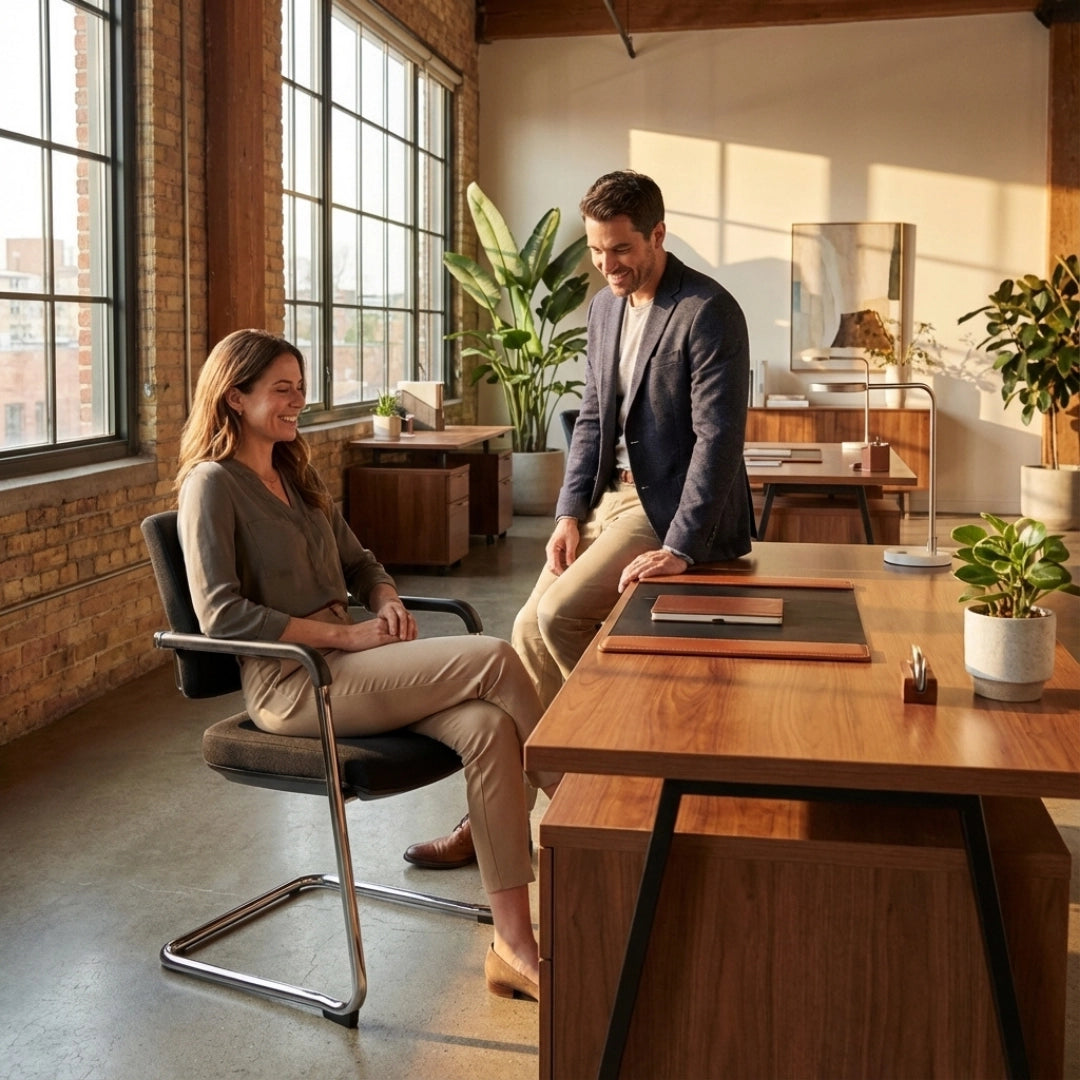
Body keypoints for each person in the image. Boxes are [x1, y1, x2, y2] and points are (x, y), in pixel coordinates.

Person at [175, 327, 559, 1002]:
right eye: (282, 389)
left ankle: (513, 947)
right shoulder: (211, 485)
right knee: (496, 658)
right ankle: (589, 807)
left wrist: (384, 599)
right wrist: (345, 638)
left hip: (355, 665)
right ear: (235, 397)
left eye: (301, 387)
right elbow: (220, 615)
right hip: (294, 683)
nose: (298, 401)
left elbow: (361, 563)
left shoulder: (297, 477)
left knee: (489, 728)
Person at [403, 169, 752, 870]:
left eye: (621, 249)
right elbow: (591, 419)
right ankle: (546, 801)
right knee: (521, 632)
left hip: (668, 509)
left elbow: (718, 439)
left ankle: (580, 785)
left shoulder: (707, 310)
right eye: (596, 250)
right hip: (603, 503)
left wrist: (682, 546)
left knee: (556, 616)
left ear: (657, 234)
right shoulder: (602, 310)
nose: (606, 265)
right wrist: (567, 512)